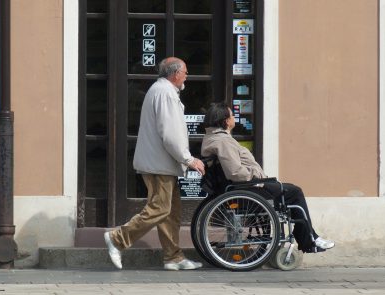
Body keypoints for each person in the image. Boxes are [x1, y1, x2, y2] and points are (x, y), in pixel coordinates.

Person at [104, 57, 206, 270]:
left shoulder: (161, 91)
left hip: (161, 163)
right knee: (160, 209)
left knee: (170, 212)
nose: (187, 75)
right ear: (175, 73)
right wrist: (188, 159)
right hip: (159, 164)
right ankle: (117, 238)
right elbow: (171, 134)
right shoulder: (166, 93)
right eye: (185, 72)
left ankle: (173, 257)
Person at [201, 102, 335, 253]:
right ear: (226, 121)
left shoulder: (214, 138)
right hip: (246, 188)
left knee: (290, 190)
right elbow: (235, 173)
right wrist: (258, 177)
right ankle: (308, 238)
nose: (234, 118)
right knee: (295, 192)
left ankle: (308, 235)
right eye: (232, 115)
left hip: (243, 188)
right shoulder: (223, 141)